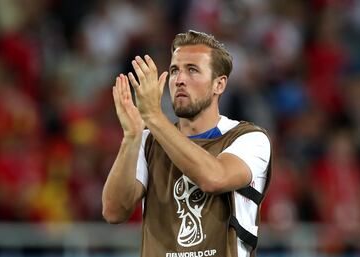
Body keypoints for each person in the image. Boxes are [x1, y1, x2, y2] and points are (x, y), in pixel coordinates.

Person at [102, 30, 272, 257]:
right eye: (174, 70)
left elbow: (214, 178)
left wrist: (153, 117)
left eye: (192, 70)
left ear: (219, 85)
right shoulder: (149, 141)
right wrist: (131, 137)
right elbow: (114, 212)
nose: (180, 79)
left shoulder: (249, 139)